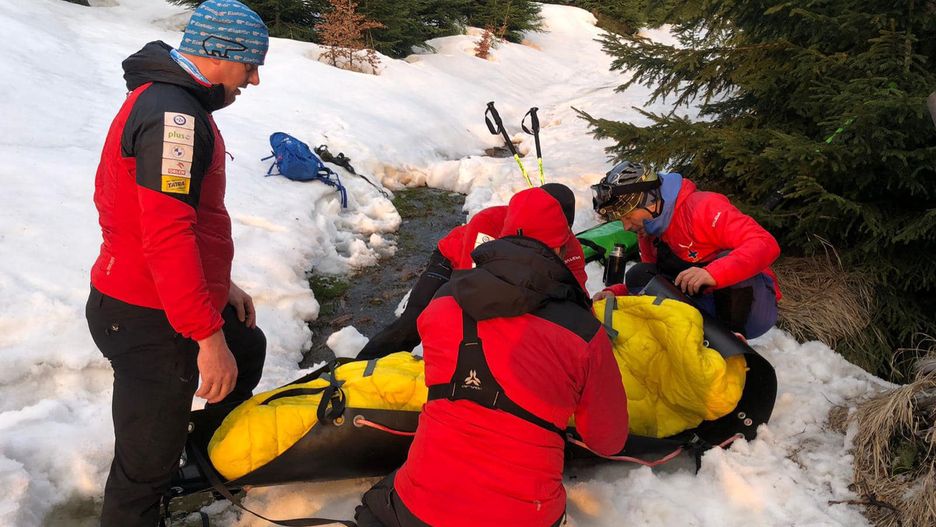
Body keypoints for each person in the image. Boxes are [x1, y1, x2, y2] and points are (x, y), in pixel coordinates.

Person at [84, 2, 269, 525]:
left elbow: (176, 218)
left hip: (165, 296)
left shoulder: (176, 102)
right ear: (217, 54)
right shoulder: (174, 118)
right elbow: (165, 233)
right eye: (249, 65)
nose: (253, 79)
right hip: (145, 312)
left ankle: (206, 457)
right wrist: (206, 338)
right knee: (143, 467)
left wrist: (220, 285)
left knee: (246, 347)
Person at [355, 185, 629, 527]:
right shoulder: (583, 336)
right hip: (525, 515)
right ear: (562, 241)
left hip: (422, 510)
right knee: (405, 327)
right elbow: (608, 439)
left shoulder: (442, 307)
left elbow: (486, 291)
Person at [356, 183, 589, 360]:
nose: (558, 244)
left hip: (508, 277)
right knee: (413, 323)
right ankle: (357, 369)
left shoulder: (569, 246)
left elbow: (576, 297)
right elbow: (474, 288)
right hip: (455, 262)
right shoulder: (490, 222)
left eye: (562, 232)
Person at [591, 161, 781, 339]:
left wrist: (712, 273)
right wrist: (616, 293)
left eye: (629, 216)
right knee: (639, 274)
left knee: (726, 257)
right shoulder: (649, 231)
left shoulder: (702, 207)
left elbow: (764, 243)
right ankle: (700, 336)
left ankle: (733, 339)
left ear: (651, 201)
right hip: (702, 301)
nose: (626, 227)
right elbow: (654, 282)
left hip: (752, 307)